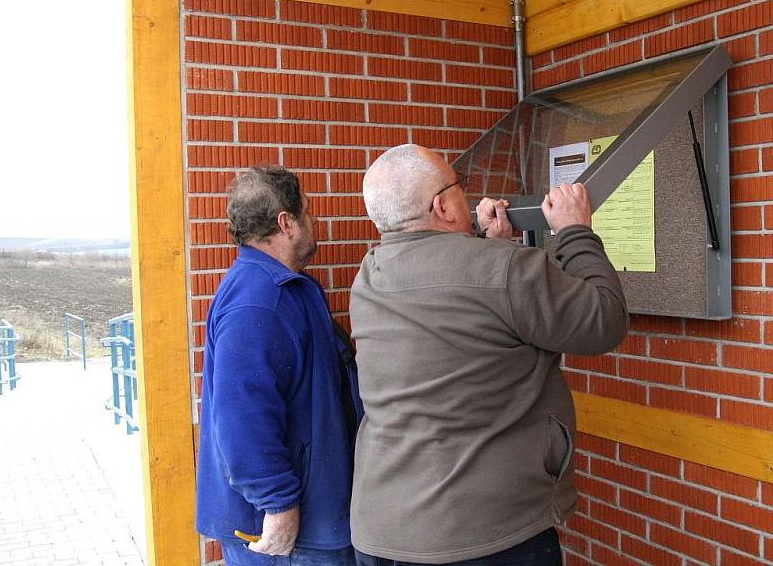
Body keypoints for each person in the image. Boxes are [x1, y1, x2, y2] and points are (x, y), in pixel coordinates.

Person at [349, 144, 628, 565]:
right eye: (459, 187)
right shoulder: (504, 271)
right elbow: (604, 320)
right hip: (485, 536)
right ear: (442, 205)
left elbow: (466, 296)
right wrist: (574, 232)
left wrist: (495, 246)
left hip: (384, 531)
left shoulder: (369, 276)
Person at [196, 167, 360, 566]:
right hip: (290, 535)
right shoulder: (259, 301)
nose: (315, 219)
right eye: (307, 211)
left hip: (314, 520)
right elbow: (241, 419)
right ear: (286, 223)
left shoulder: (287, 287)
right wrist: (278, 505)